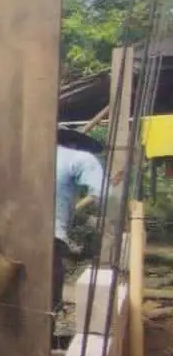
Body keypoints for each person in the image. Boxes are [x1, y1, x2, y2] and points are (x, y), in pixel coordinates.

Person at [55, 131, 107, 311]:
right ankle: (47, 335)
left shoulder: (30, 157)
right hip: (52, 235)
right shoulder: (80, 158)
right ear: (76, 144)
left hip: (12, 233)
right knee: (49, 290)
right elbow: (101, 193)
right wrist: (76, 207)